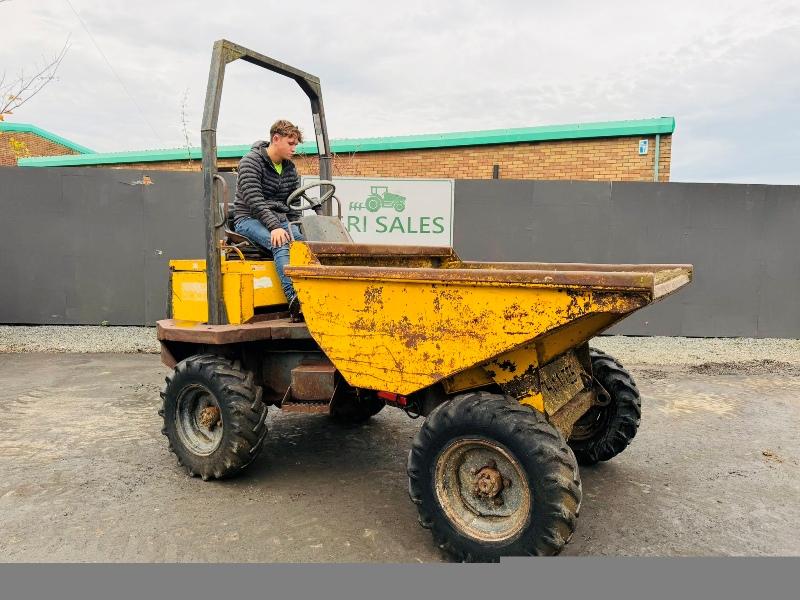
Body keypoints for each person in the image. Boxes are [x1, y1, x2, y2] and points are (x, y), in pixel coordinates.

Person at [233, 119, 306, 321]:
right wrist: (275, 227)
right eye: (291, 144)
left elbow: (294, 203)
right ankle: (294, 300)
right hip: (248, 218)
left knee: (301, 244)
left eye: (296, 144)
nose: (294, 148)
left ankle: (310, 294)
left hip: (278, 219)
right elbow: (254, 199)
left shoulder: (290, 168)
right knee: (281, 242)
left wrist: (294, 226)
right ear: (276, 139)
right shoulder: (251, 161)